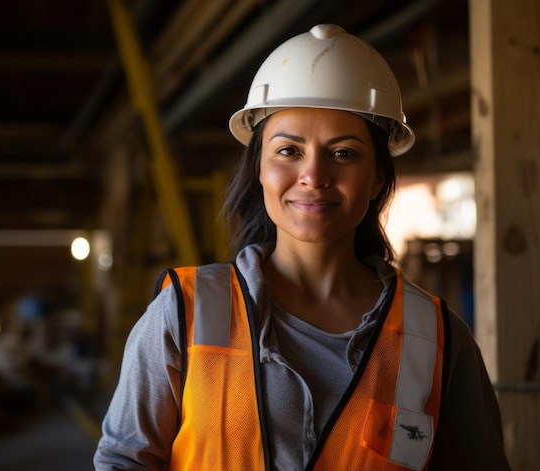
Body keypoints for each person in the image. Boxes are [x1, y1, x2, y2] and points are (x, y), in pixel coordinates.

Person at [94, 24, 510, 470]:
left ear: (378, 178)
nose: (313, 176)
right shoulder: (184, 314)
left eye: (344, 153)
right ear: (259, 170)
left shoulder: (438, 339)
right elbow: (125, 461)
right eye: (289, 151)